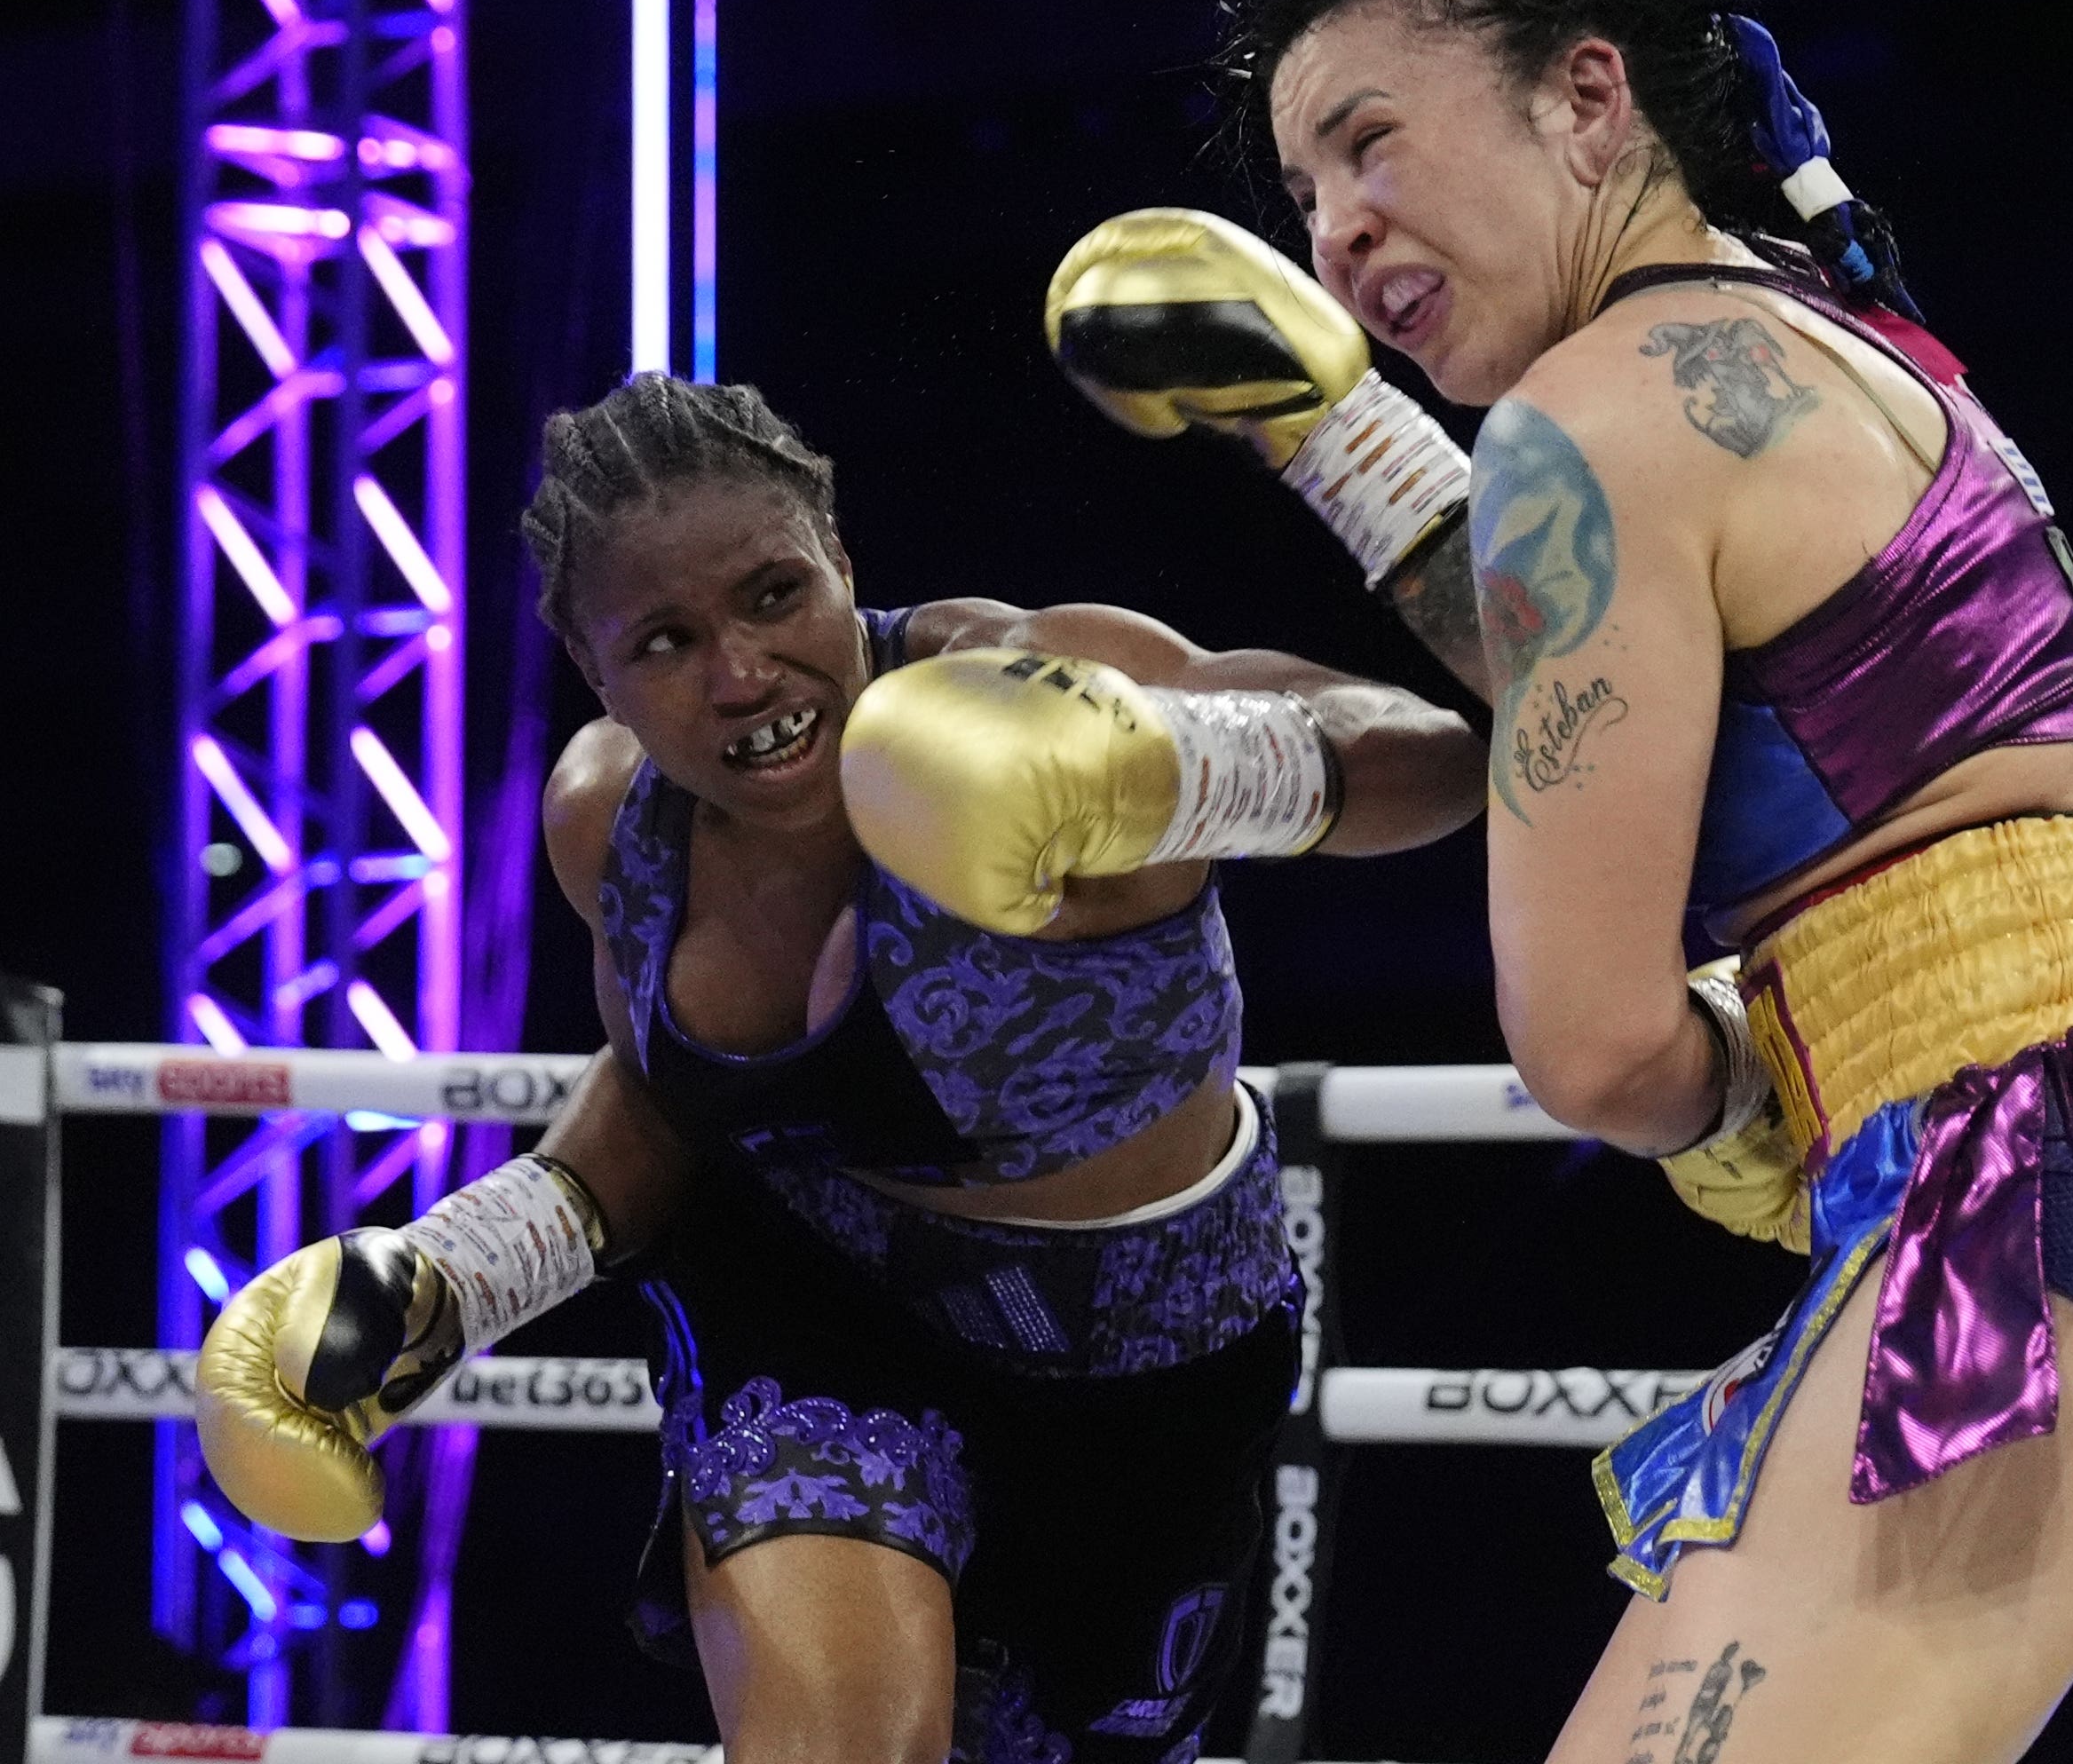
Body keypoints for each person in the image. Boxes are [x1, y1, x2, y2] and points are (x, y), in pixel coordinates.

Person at [1049, 0, 2073, 1763]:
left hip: (2034, 1170)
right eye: (1307, 198)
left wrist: (1742, 1085)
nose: (1337, 233)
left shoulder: (1588, 419)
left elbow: (1591, 1041)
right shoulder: (1822, 331)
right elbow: (1701, 697)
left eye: (1369, 146)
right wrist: (1327, 436)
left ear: (1589, 99)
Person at [190, 373, 1484, 1764]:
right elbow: (665, 1106)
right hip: (821, 1321)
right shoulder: (613, 829)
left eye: (769, 597)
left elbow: (1440, 758)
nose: (742, 675)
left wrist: (1179, 770)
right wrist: (450, 1277)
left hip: (1162, 1373)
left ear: (842, 563)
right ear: (595, 667)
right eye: (668, 641)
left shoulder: (1026, 679)